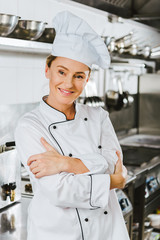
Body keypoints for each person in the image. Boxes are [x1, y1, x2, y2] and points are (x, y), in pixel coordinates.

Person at [15, 11, 129, 240]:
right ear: (47, 70)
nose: (68, 83)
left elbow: (113, 163)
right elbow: (60, 190)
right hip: (58, 233)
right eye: (61, 72)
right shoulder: (29, 126)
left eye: (79, 76)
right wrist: (112, 181)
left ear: (87, 79)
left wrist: (66, 163)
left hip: (106, 231)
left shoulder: (99, 116)